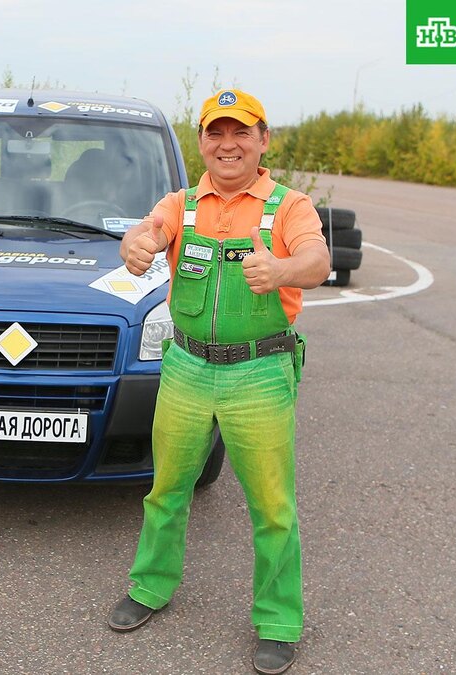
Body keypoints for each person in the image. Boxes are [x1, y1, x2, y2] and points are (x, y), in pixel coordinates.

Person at [108, 89, 330, 675]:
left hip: (260, 371)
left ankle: (278, 621)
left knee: (273, 506)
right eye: (216, 133)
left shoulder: (290, 207)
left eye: (241, 132)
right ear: (202, 141)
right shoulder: (180, 204)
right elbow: (145, 233)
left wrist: (281, 268)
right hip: (185, 367)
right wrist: (137, 246)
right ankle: (150, 586)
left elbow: (317, 261)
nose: (228, 145)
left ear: (263, 140)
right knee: (166, 489)